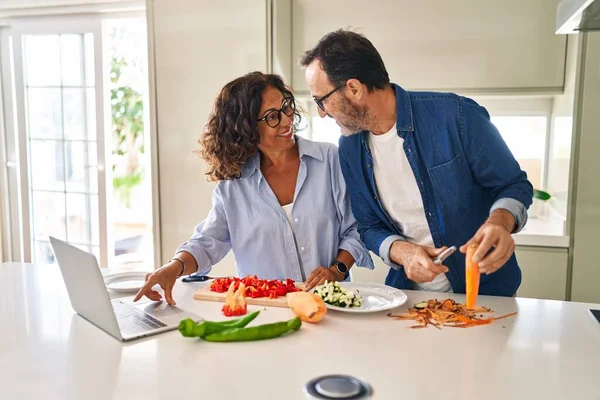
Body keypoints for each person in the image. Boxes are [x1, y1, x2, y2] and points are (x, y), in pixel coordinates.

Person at [300, 30, 533, 297]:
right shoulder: (350, 148)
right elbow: (368, 226)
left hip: (487, 292)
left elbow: (514, 185)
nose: (321, 112)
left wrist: (500, 222)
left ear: (353, 88)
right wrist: (403, 252)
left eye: (321, 100)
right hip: (409, 297)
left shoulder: (456, 116)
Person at [134, 72, 374, 305]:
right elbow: (207, 243)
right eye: (272, 116)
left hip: (329, 305)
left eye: (286, 107)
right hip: (267, 309)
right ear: (246, 128)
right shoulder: (233, 186)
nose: (287, 120)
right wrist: (173, 268)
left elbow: (357, 227)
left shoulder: (329, 159)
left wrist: (337, 270)